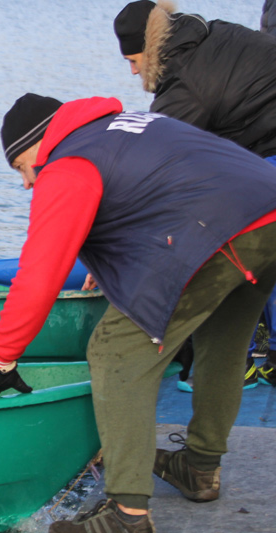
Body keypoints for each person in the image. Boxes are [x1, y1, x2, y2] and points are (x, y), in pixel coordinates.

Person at [0, 93, 276, 533]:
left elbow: (39, 275)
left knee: (115, 349)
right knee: (223, 342)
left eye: (22, 168)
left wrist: (0, 358)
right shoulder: (122, 126)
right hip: (265, 212)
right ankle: (200, 468)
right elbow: (157, 195)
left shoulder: (66, 163)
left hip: (218, 230)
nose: (28, 183)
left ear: (37, 144)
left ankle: (128, 518)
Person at [114, 0, 276, 388]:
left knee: (237, 244)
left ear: (149, 49)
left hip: (266, 155)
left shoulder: (184, 83)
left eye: (133, 60)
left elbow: (154, 169)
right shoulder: (207, 31)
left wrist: (117, 245)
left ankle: (243, 359)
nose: (133, 71)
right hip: (261, 145)